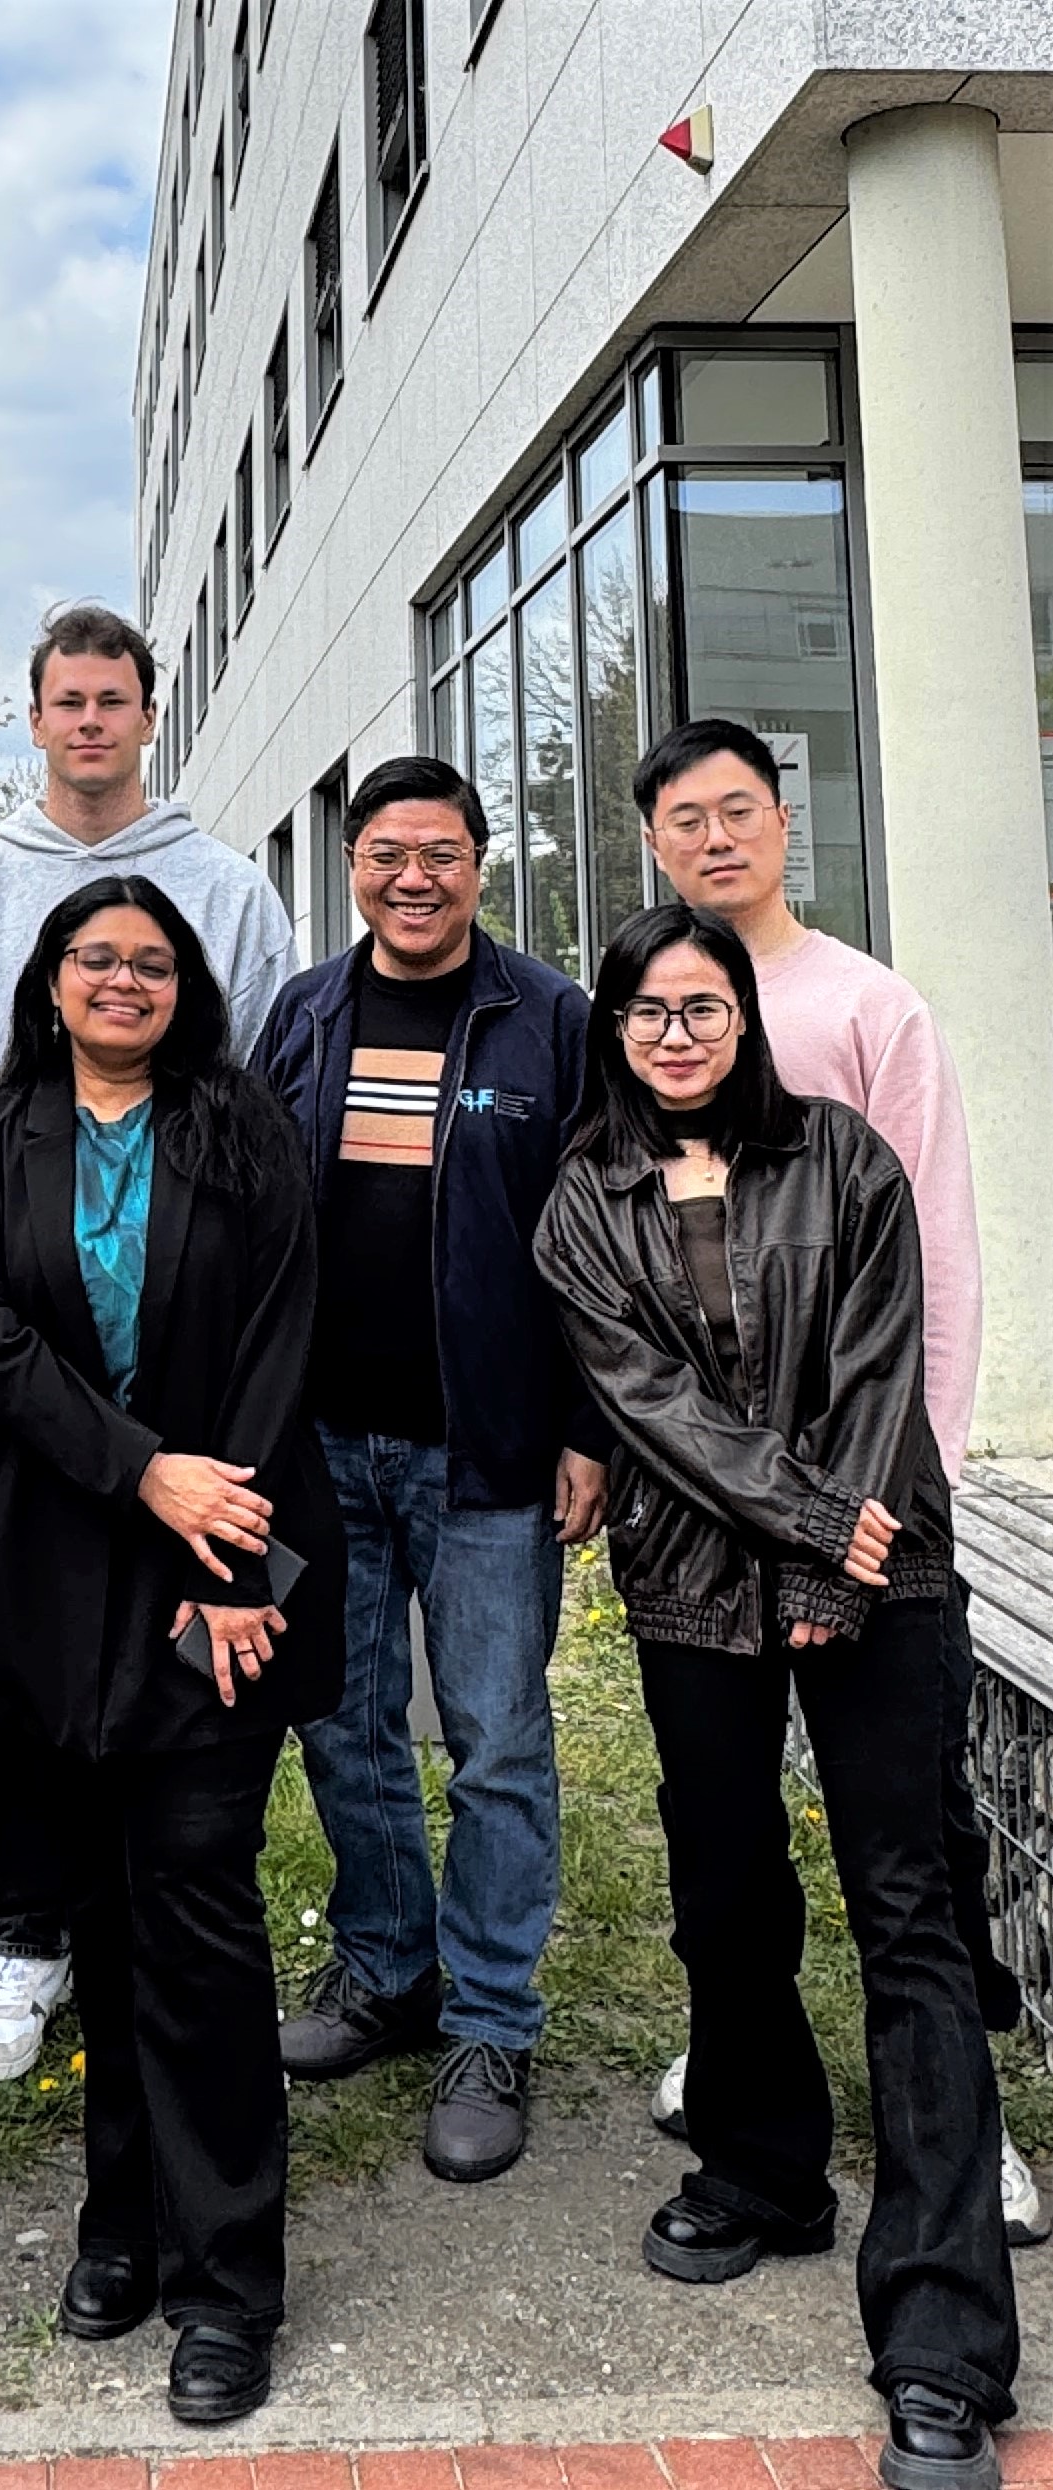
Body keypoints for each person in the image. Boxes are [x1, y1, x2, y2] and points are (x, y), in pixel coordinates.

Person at [536, 900, 1016, 2490]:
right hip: (693, 1579)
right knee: (725, 1888)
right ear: (613, 1031)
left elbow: (881, 1365)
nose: (675, 1033)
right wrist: (806, 1525)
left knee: (906, 1912)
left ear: (742, 1016)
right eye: (646, 1011)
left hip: (886, 1566)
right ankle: (761, 2167)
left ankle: (942, 2337)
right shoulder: (582, 1199)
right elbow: (647, 1401)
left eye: (702, 1005)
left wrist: (841, 1558)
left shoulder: (843, 1157)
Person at [0, 875, 342, 2427]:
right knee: (97, 1917)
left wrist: (222, 1558)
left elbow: (278, 1348)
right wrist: (137, 1467)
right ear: (50, 979)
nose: (121, 980)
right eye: (94, 958)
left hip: (209, 1582)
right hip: (42, 1575)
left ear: (187, 985)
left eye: (150, 961)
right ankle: (123, 2222)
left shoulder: (244, 1127)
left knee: (197, 1914)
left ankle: (228, 2278)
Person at [632, 721, 1045, 2251]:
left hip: (876, 1499)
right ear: (655, 841)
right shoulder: (649, 1013)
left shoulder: (869, 1007)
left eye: (737, 809)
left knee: (914, 1829)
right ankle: (742, 2075)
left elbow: (934, 1246)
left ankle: (968, 2126)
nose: (714, 836)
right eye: (685, 817)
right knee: (720, 1831)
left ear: (781, 821)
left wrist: (899, 1488)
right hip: (707, 1514)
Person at [0, 600, 299, 2084]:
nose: (87, 722)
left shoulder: (225, 887)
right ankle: (29, 1927)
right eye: (64, 700)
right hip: (15, 1318)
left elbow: (257, 1083)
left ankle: (175, 1900)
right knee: (24, 1633)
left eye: (110, 699)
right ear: (34, 716)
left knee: (180, 1623)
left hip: (188, 1325)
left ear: (145, 714)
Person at [250, 754, 610, 2184]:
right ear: (352, 866)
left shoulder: (549, 1021)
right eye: (387, 855)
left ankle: (489, 2020)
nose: (414, 879)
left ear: (477, 862)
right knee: (340, 1722)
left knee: (495, 1738)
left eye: (440, 854)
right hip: (322, 1444)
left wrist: (587, 1428)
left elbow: (599, 1241)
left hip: (489, 1448)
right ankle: (387, 1968)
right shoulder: (303, 1014)